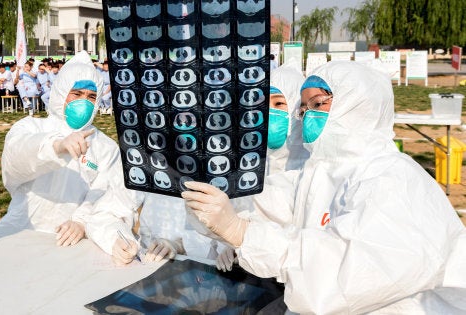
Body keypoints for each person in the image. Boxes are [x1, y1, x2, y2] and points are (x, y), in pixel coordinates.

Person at [182, 62, 466, 313]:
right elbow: (263, 201)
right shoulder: (320, 172)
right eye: (304, 109)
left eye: (318, 104)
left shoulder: (393, 180)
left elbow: (345, 276)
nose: (307, 116)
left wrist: (242, 233)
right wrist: (215, 203)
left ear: (360, 106)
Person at [0, 51, 130, 254]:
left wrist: (81, 221)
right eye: (76, 94)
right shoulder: (31, 128)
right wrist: (55, 146)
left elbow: (110, 193)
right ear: (61, 91)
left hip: (72, 240)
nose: (84, 101)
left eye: (91, 96)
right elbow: (16, 161)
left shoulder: (105, 146)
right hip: (23, 230)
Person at [215, 65, 308, 272]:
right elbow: (235, 217)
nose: (268, 112)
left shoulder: (311, 171)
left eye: (279, 104)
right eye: (263, 104)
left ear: (296, 109)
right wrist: (228, 245)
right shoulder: (247, 166)